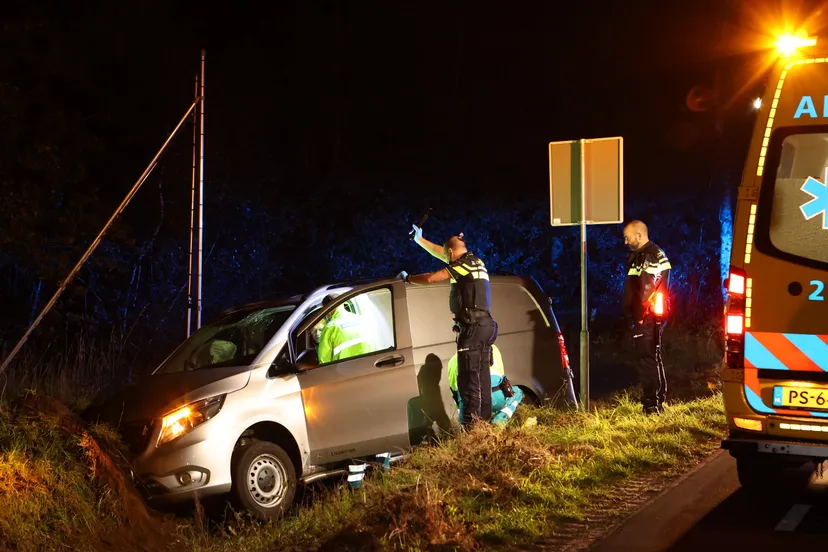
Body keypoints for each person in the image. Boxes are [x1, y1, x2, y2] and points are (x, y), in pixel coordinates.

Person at [405, 226, 498, 426]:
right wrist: (420, 240)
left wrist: (408, 278)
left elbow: (431, 278)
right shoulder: (476, 262)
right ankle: (485, 426)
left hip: (472, 327)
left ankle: (472, 429)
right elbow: (443, 252)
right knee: (482, 378)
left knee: (468, 379)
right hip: (485, 325)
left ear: (450, 253)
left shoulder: (461, 266)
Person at [622, 220, 672, 415]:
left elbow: (647, 287)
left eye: (628, 237)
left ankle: (651, 406)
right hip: (653, 316)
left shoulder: (648, 256)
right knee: (653, 358)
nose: (626, 242)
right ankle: (657, 402)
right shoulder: (654, 254)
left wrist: (639, 316)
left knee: (646, 360)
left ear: (639, 235)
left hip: (646, 317)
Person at [447, 344, 524, 426]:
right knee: (518, 392)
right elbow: (502, 379)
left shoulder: (452, 361)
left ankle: (470, 430)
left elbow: (454, 392)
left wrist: (463, 414)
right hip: (494, 398)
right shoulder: (493, 349)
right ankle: (499, 421)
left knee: (467, 424)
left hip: (469, 405)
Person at [316, 294, 373, 364]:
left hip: (344, 372)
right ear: (343, 303)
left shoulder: (330, 328)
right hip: (368, 367)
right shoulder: (361, 320)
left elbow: (324, 362)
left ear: (327, 308)